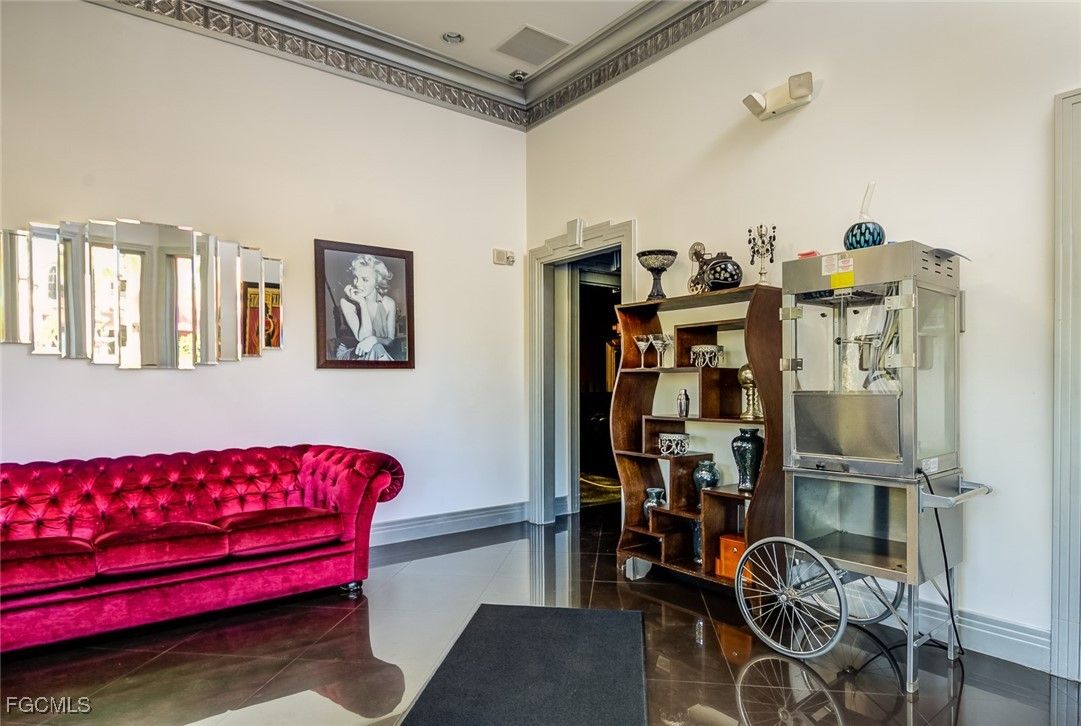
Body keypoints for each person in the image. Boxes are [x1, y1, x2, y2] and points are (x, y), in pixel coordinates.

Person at [335, 254, 397, 361]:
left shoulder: (389, 303)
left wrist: (374, 339)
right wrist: (362, 303)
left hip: (376, 351)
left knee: (377, 347)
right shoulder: (346, 302)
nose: (357, 284)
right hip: (350, 353)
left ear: (377, 281)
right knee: (377, 348)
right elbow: (363, 338)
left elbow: (390, 341)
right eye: (356, 277)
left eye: (365, 279)